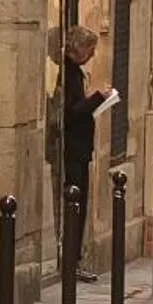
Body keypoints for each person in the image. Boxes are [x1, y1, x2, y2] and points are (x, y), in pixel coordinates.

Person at [59, 26, 111, 276]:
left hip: (78, 150)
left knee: (77, 205)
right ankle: (72, 261)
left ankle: (74, 259)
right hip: (73, 150)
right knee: (75, 205)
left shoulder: (72, 72)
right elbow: (71, 112)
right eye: (90, 50)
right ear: (78, 48)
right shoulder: (68, 73)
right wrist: (98, 99)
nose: (91, 56)